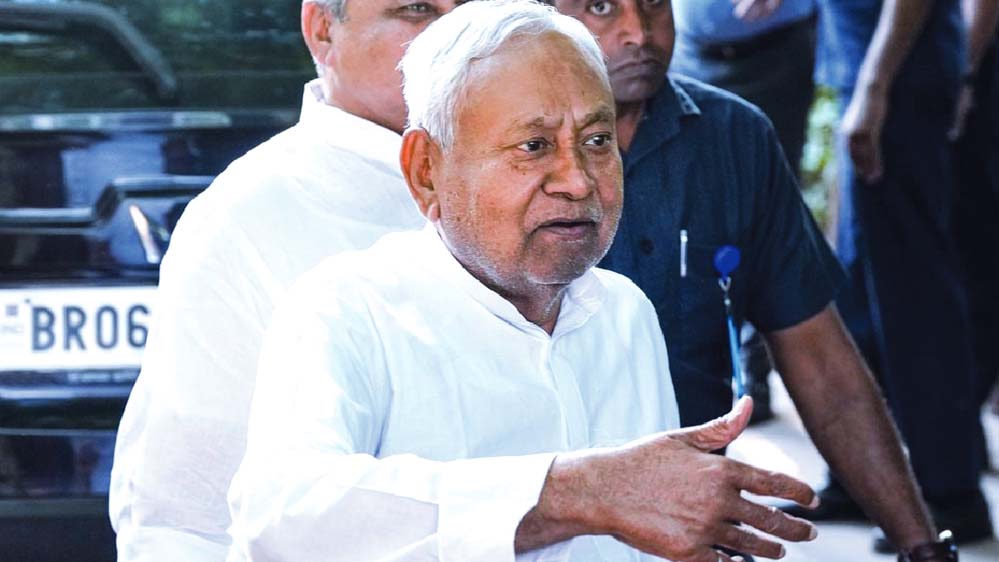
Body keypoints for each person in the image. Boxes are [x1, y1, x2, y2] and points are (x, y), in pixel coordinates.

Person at [227, 4, 822, 561]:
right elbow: (281, 517)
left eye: (596, 142)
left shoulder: (624, 313)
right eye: (534, 146)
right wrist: (572, 493)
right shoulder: (346, 310)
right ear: (426, 171)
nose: (577, 181)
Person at [551, 0, 959, 559]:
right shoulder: (501, 156)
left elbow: (823, 365)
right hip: (552, 530)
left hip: (697, 529)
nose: (638, 33)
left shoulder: (735, 139)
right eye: (601, 8)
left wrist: (923, 548)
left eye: (653, 6)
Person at [108, 1, 468, 560]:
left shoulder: (559, 189)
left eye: (473, 8)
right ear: (322, 30)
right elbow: (182, 514)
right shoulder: (249, 217)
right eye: (417, 10)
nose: (458, 36)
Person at [813, 0, 995, 550]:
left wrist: (875, 88)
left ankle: (950, 492)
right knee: (859, 293)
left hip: (896, 84)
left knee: (915, 298)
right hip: (869, 76)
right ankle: (858, 479)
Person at [669, 0, 819, 423]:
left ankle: (752, 369)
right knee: (695, 211)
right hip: (687, 50)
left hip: (773, 53)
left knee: (762, 208)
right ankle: (705, 360)